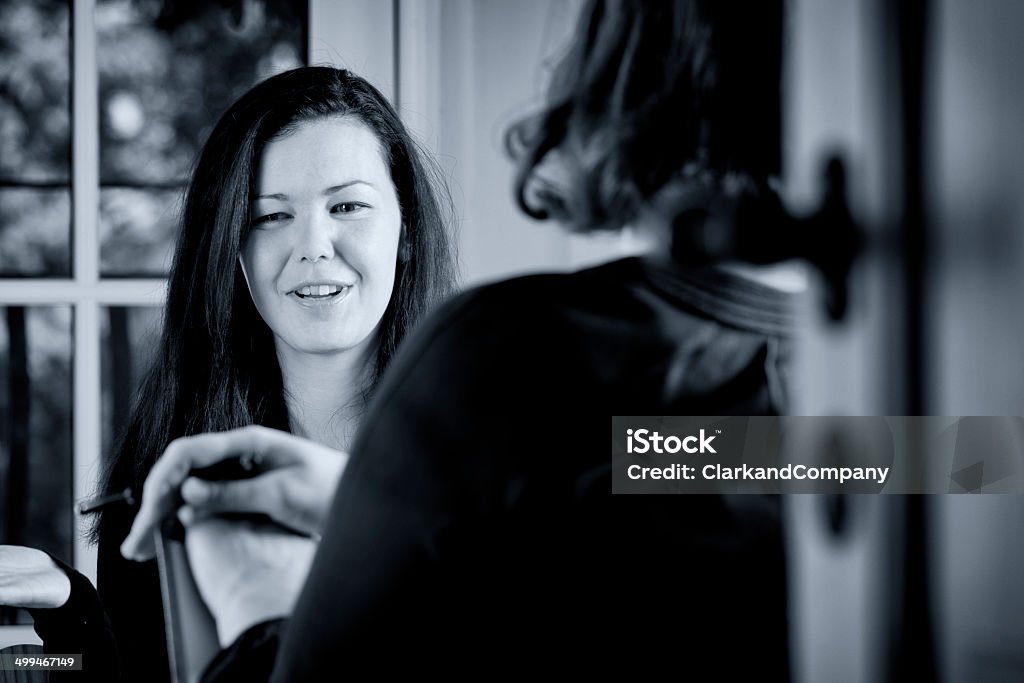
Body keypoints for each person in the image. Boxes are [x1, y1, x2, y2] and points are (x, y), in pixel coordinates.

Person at [125, 0, 795, 678]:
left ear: (619, 81)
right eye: (271, 216)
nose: (555, 63)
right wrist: (373, 511)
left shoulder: (507, 352)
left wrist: (256, 604)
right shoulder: (860, 398)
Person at [0, 65, 456, 681]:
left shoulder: (513, 431)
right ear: (231, 249)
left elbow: (633, 467)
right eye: (271, 216)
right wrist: (68, 620)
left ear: (404, 229)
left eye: (347, 205)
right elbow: (121, 674)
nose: (314, 246)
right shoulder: (172, 472)